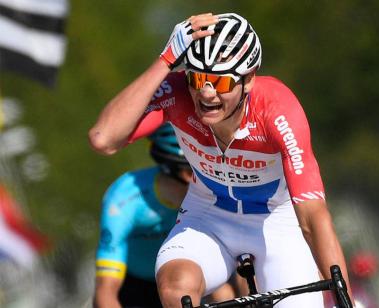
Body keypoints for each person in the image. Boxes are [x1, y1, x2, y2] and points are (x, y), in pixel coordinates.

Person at [88, 12, 352, 308]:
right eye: (198, 78)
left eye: (220, 83)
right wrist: (165, 60)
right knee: (177, 290)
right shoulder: (177, 93)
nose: (206, 93)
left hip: (277, 223)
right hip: (208, 216)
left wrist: (345, 299)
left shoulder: (277, 109)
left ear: (248, 79)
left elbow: (313, 216)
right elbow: (104, 138)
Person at [93, 123, 236, 308]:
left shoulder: (218, 195)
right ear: (185, 173)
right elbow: (106, 290)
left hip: (189, 277)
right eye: (205, 169)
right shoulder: (124, 199)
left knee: (224, 293)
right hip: (135, 287)